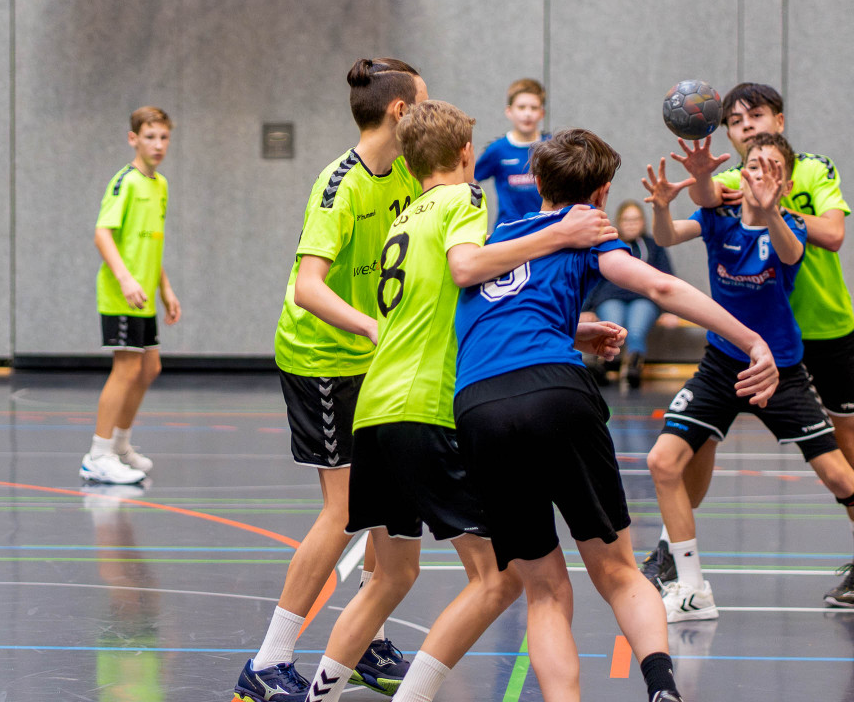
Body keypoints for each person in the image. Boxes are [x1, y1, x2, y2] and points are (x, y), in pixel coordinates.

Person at [299, 102, 621, 702]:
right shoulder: (464, 201)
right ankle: (413, 697)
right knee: (499, 578)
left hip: (376, 409)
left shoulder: (405, 217)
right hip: (426, 408)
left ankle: (319, 695)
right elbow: (468, 269)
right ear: (467, 154)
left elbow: (450, 307)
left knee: (389, 577)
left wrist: (574, 330)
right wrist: (561, 234)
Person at [452, 128, 778, 702]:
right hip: (554, 391)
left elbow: (499, 315)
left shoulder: (496, 239)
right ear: (602, 193)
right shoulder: (588, 231)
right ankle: (662, 689)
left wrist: (573, 328)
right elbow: (660, 287)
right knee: (618, 571)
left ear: (538, 181)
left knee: (545, 592)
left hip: (478, 404)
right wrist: (751, 339)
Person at [232, 57, 427, 702]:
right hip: (321, 357)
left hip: (374, 357)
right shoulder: (337, 186)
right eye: (425, 102)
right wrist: (371, 327)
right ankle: (268, 662)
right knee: (344, 511)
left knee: (383, 500)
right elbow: (308, 287)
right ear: (400, 110)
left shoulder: (408, 172)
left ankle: (366, 640)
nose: (430, 111)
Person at [639, 83, 854, 608]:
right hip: (727, 359)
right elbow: (695, 210)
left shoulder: (802, 193)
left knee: (839, 465)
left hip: (796, 352)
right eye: (736, 122)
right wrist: (684, 191)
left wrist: (774, 209)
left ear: (779, 121)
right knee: (675, 457)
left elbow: (815, 241)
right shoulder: (726, 203)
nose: (749, 132)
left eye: (756, 117)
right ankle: (685, 575)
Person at [80, 107, 181, 485]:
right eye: (150, 137)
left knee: (149, 368)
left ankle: (120, 446)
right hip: (121, 292)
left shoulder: (161, 185)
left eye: (164, 137)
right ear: (133, 139)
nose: (158, 145)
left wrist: (165, 288)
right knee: (125, 370)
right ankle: (97, 455)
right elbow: (102, 234)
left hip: (144, 296)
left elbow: (152, 243)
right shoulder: (125, 182)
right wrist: (124, 279)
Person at [582, 200, 679, 388]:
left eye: (635, 220)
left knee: (636, 329)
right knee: (612, 327)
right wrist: (586, 309)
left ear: (643, 222)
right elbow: (595, 278)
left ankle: (634, 365)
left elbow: (666, 277)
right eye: (626, 220)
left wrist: (670, 311)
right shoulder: (608, 244)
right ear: (619, 222)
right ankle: (603, 364)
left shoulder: (654, 246)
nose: (631, 224)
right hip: (611, 297)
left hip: (643, 298)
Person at [473, 77, 549, 225]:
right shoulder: (497, 149)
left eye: (534, 108)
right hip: (509, 230)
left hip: (544, 228)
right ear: (509, 111)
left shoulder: (552, 147)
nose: (527, 114)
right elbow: (471, 181)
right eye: (521, 107)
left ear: (542, 113)